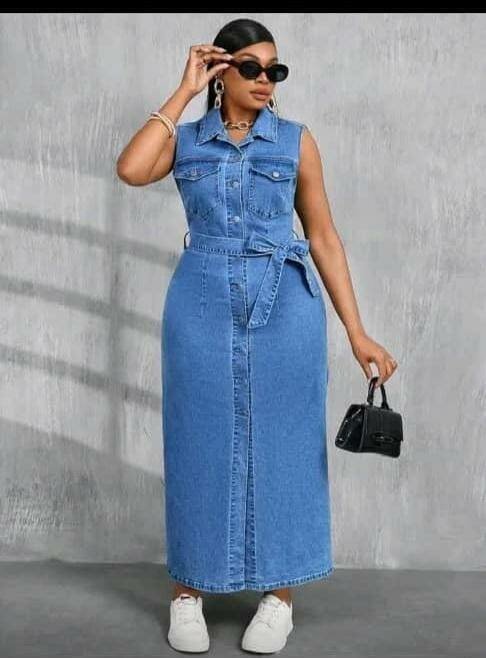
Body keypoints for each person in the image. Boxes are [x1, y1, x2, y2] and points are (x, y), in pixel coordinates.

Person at [116, 17, 398, 656]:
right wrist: (184, 91)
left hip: (285, 306)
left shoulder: (295, 141)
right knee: (197, 441)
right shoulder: (188, 141)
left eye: (276, 70)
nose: (266, 80)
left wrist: (357, 332)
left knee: (287, 444)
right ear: (221, 71)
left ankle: (280, 597)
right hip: (201, 303)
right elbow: (131, 169)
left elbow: (323, 237)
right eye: (252, 68)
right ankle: (188, 592)